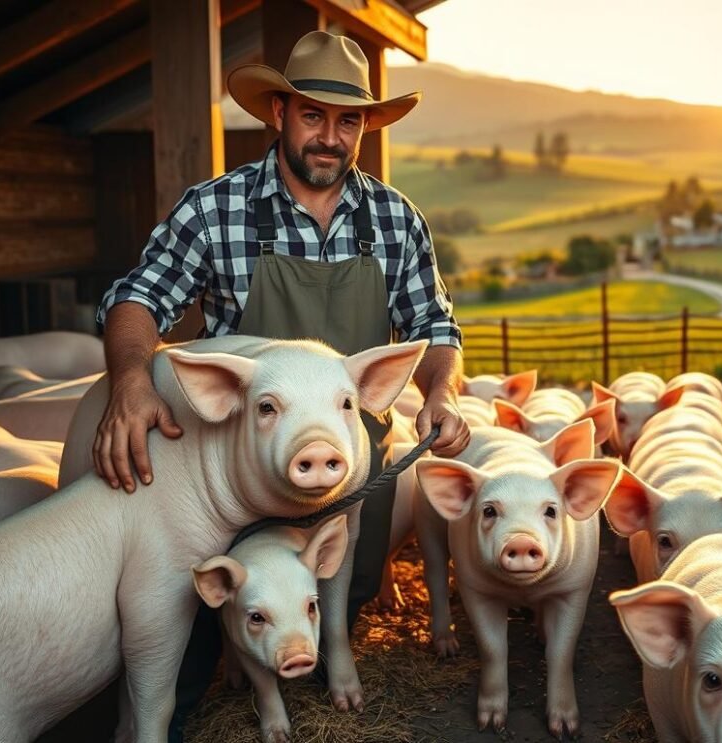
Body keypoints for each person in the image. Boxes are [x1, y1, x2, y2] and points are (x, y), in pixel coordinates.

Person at [92, 30, 470, 738]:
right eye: (313, 115)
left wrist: (443, 390)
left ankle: (310, 662)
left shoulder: (395, 219)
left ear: (364, 124)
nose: (331, 137)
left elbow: (435, 327)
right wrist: (131, 379)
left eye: (348, 119)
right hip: (242, 468)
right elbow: (135, 298)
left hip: (348, 468)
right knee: (197, 633)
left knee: (343, 592)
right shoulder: (215, 209)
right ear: (277, 114)